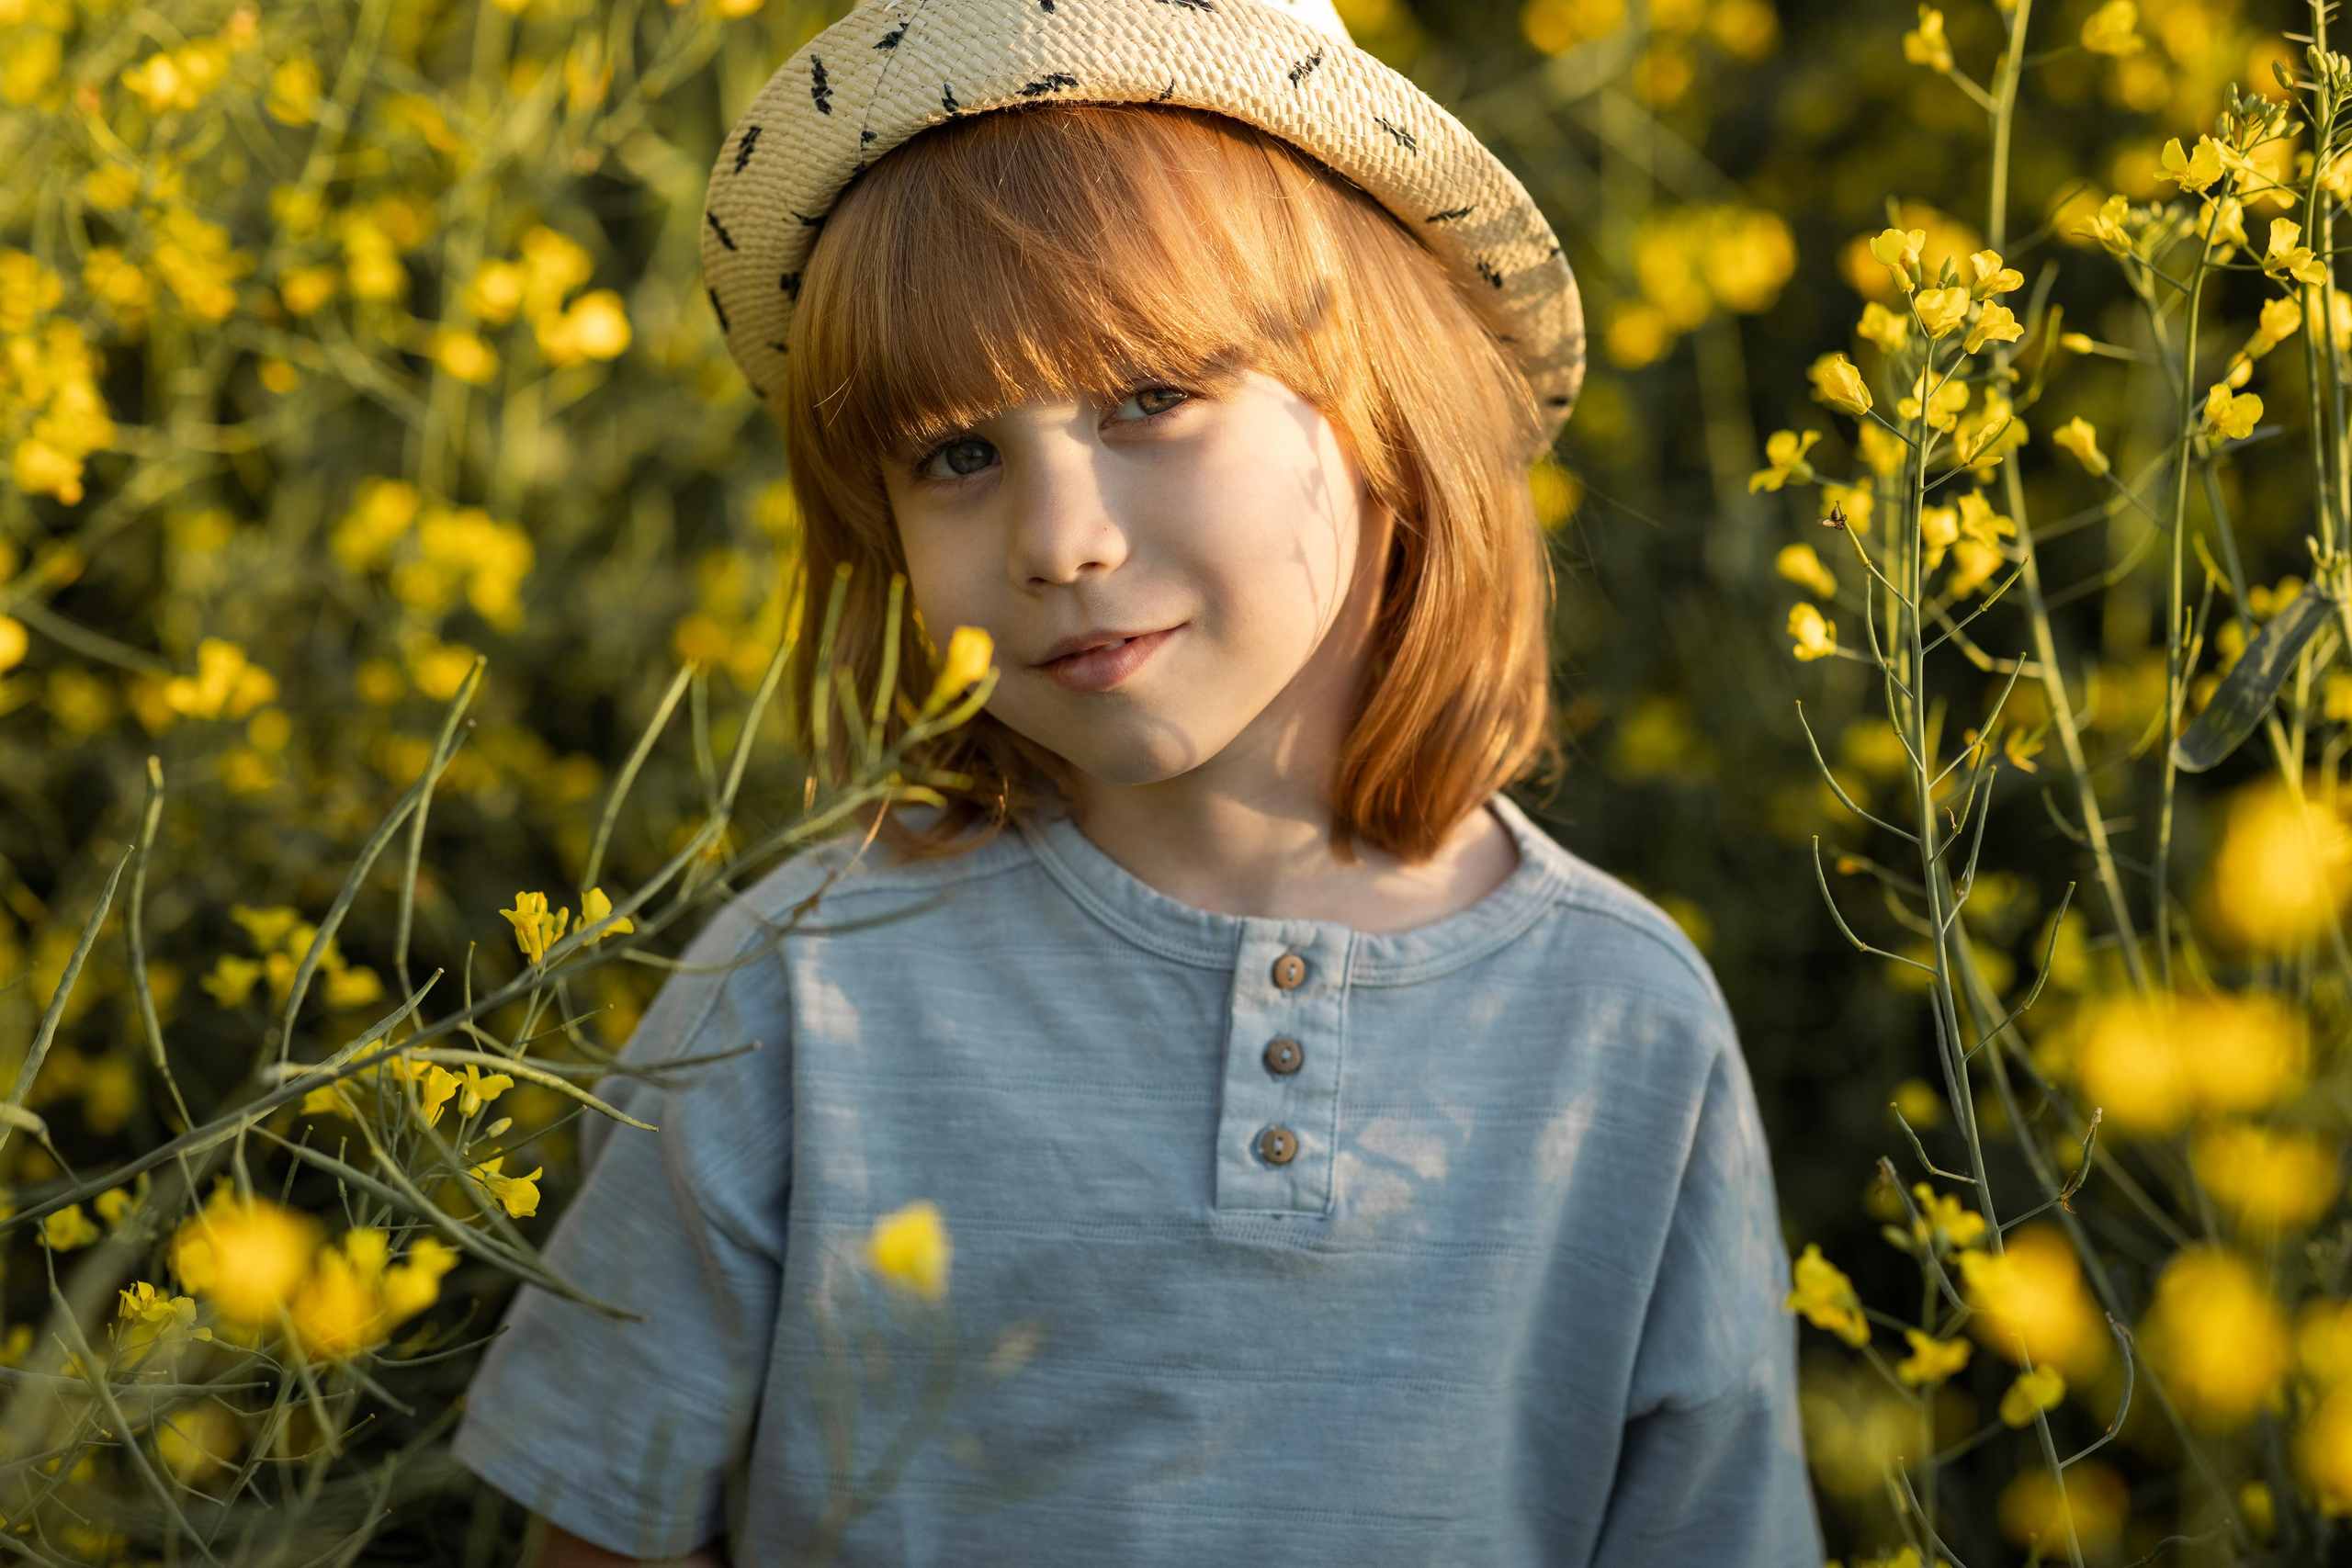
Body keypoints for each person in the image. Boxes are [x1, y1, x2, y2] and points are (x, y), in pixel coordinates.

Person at [453, 0, 1822, 1561]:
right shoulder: (802, 991)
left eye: (1150, 400)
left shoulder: (1625, 1024)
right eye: (957, 455)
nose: (1059, 541)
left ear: (1390, 414)